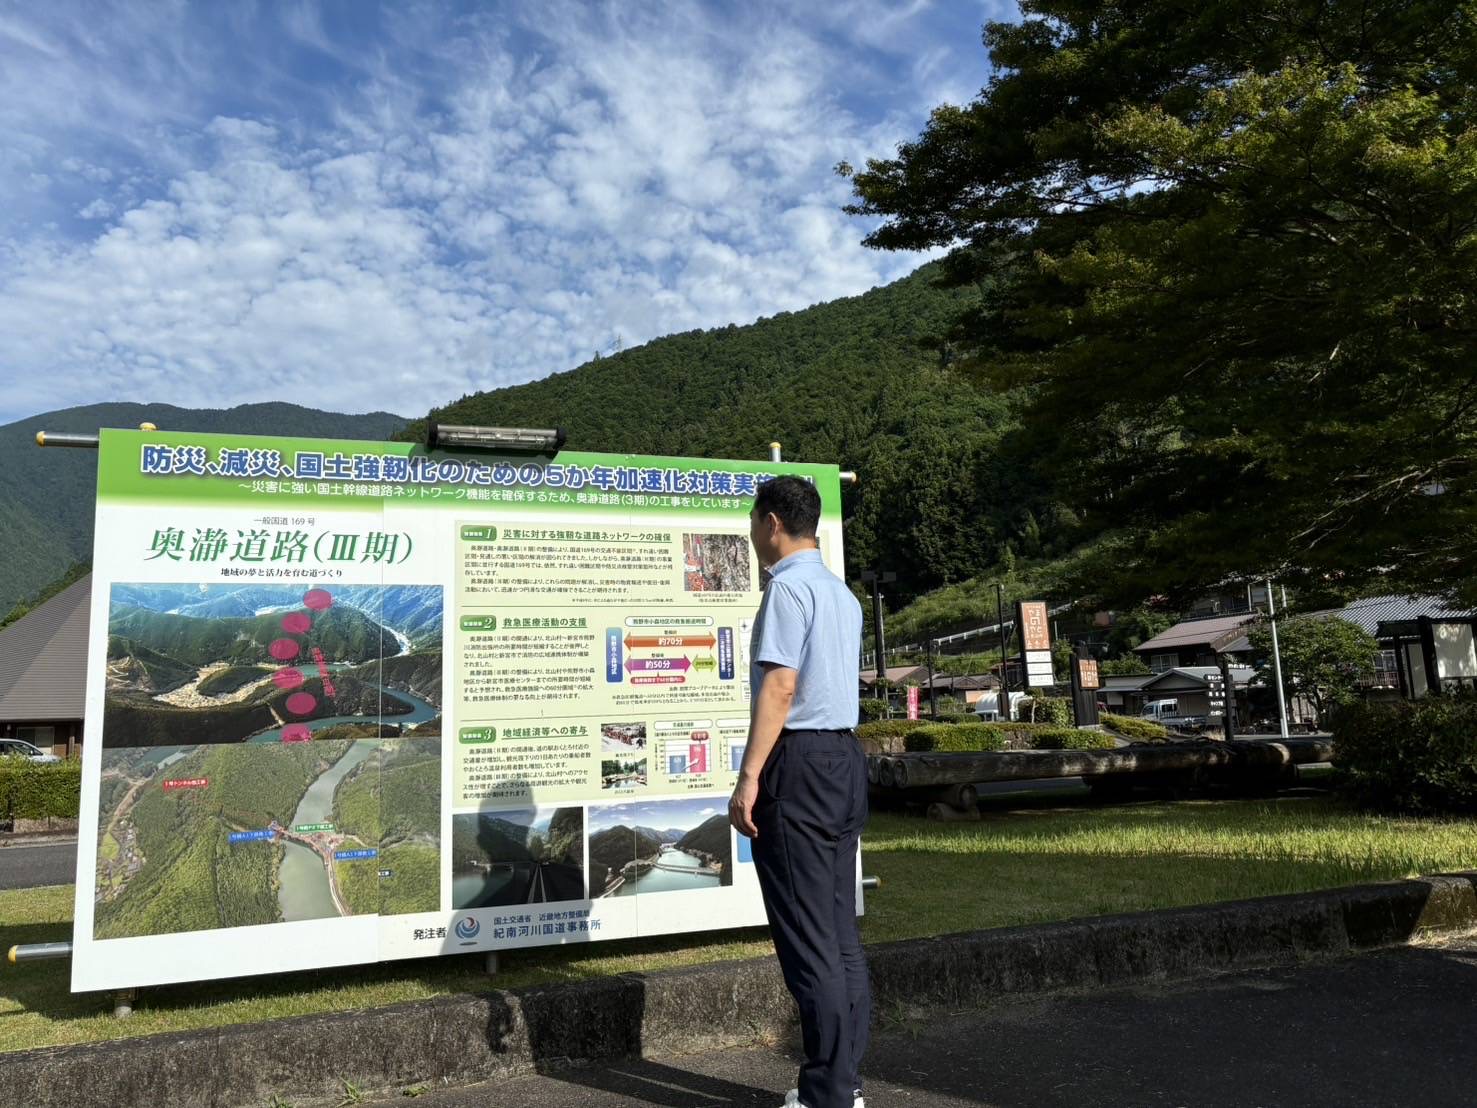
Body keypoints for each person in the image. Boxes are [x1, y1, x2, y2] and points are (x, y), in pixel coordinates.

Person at [729, 475, 869, 1108]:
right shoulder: (841, 595)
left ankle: (827, 1096)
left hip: (800, 766)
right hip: (844, 759)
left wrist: (750, 775)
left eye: (756, 521)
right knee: (839, 936)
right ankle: (845, 1084)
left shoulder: (786, 590)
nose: (754, 533)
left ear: (773, 523)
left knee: (810, 945)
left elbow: (781, 688)